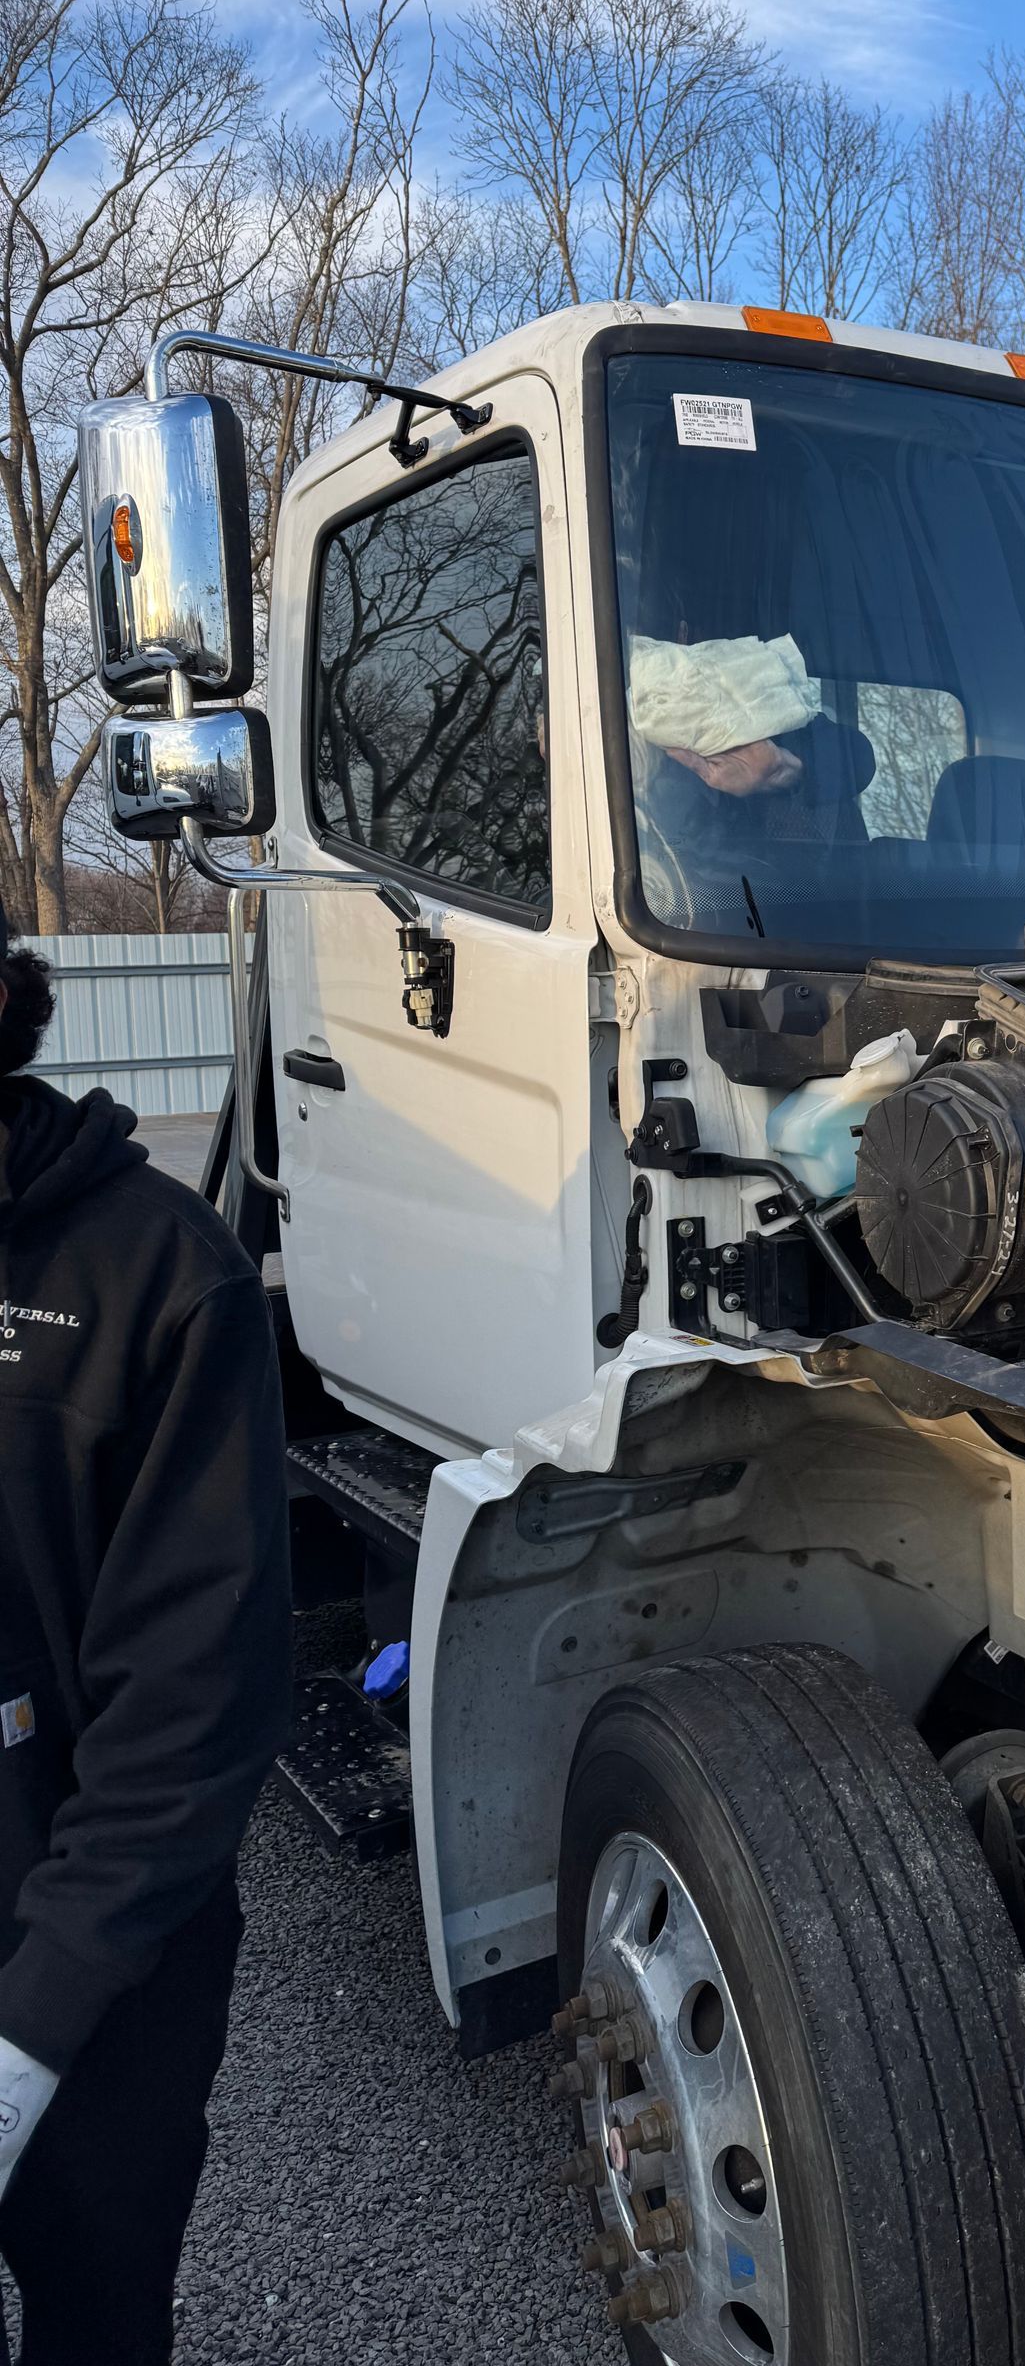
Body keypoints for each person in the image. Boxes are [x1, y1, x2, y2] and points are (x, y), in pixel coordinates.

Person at [0, 908, 290, 2363]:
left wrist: (30, 2032)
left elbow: (191, 1705)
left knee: (99, 2316)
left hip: (98, 1970)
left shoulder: (159, 1276)